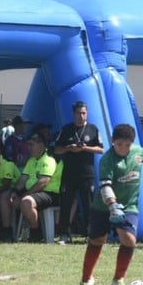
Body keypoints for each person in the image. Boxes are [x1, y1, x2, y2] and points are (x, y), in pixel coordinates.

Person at [77, 123, 143, 285]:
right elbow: (105, 186)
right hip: (104, 206)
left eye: (127, 145)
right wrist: (112, 206)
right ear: (113, 142)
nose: (123, 148)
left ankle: (118, 278)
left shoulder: (138, 153)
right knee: (97, 240)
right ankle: (86, 280)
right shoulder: (107, 159)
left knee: (129, 240)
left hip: (129, 206)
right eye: (120, 144)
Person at [54, 101, 104, 243]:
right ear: (73, 114)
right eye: (78, 113)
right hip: (69, 173)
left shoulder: (93, 129)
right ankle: (64, 234)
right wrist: (69, 148)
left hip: (87, 173)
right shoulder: (66, 129)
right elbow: (57, 149)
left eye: (83, 113)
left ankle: (90, 234)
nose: (81, 116)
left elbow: (101, 149)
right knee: (66, 203)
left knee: (88, 204)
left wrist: (85, 148)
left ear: (86, 113)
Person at [2, 131, 61, 242]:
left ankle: (36, 232)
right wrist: (15, 191)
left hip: (49, 194)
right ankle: (8, 232)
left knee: (26, 202)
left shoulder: (49, 160)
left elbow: (43, 182)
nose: (29, 148)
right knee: (6, 197)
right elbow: (23, 180)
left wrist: (25, 195)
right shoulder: (31, 160)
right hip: (32, 194)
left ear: (41, 145)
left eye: (31, 145)